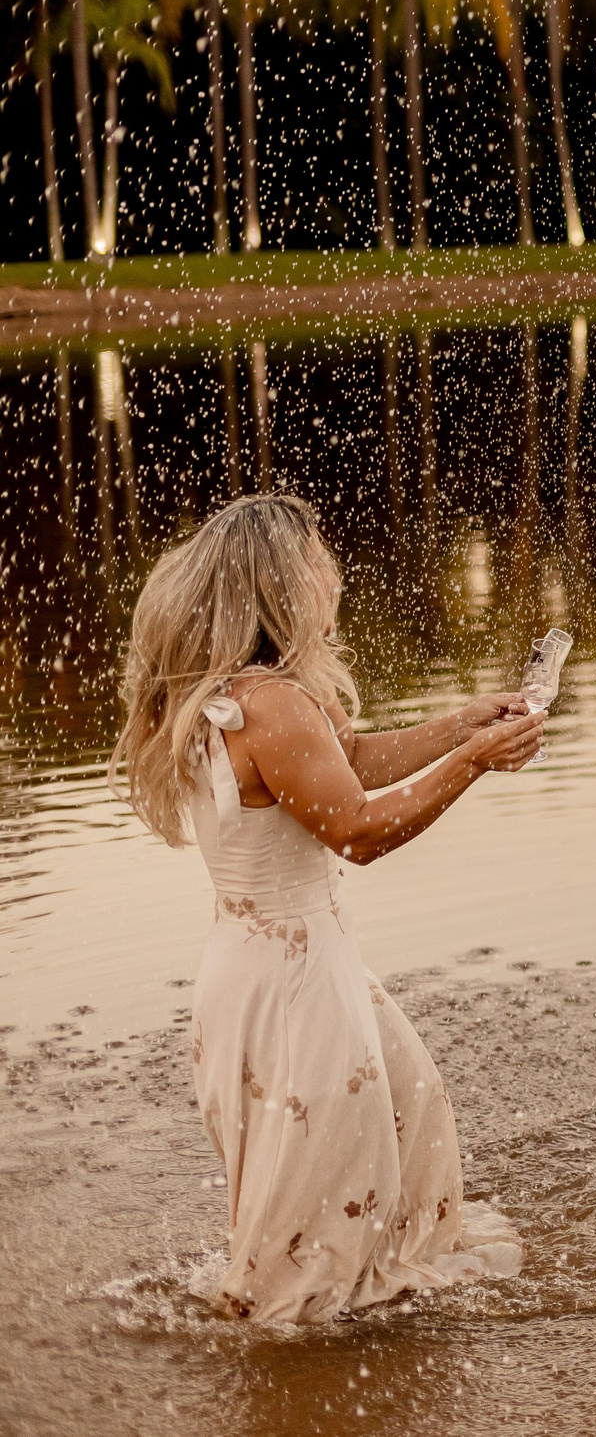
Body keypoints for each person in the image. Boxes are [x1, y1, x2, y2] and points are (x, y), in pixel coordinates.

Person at [114, 496, 548, 1324]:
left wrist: (465, 721)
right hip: (295, 983)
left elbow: (345, 763)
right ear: (281, 581)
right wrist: (476, 761)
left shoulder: (245, 695)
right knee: (318, 1203)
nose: (331, 572)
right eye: (316, 558)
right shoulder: (270, 702)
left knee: (386, 1125)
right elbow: (355, 828)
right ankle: (288, 1352)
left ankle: (302, 1360)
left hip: (258, 969)